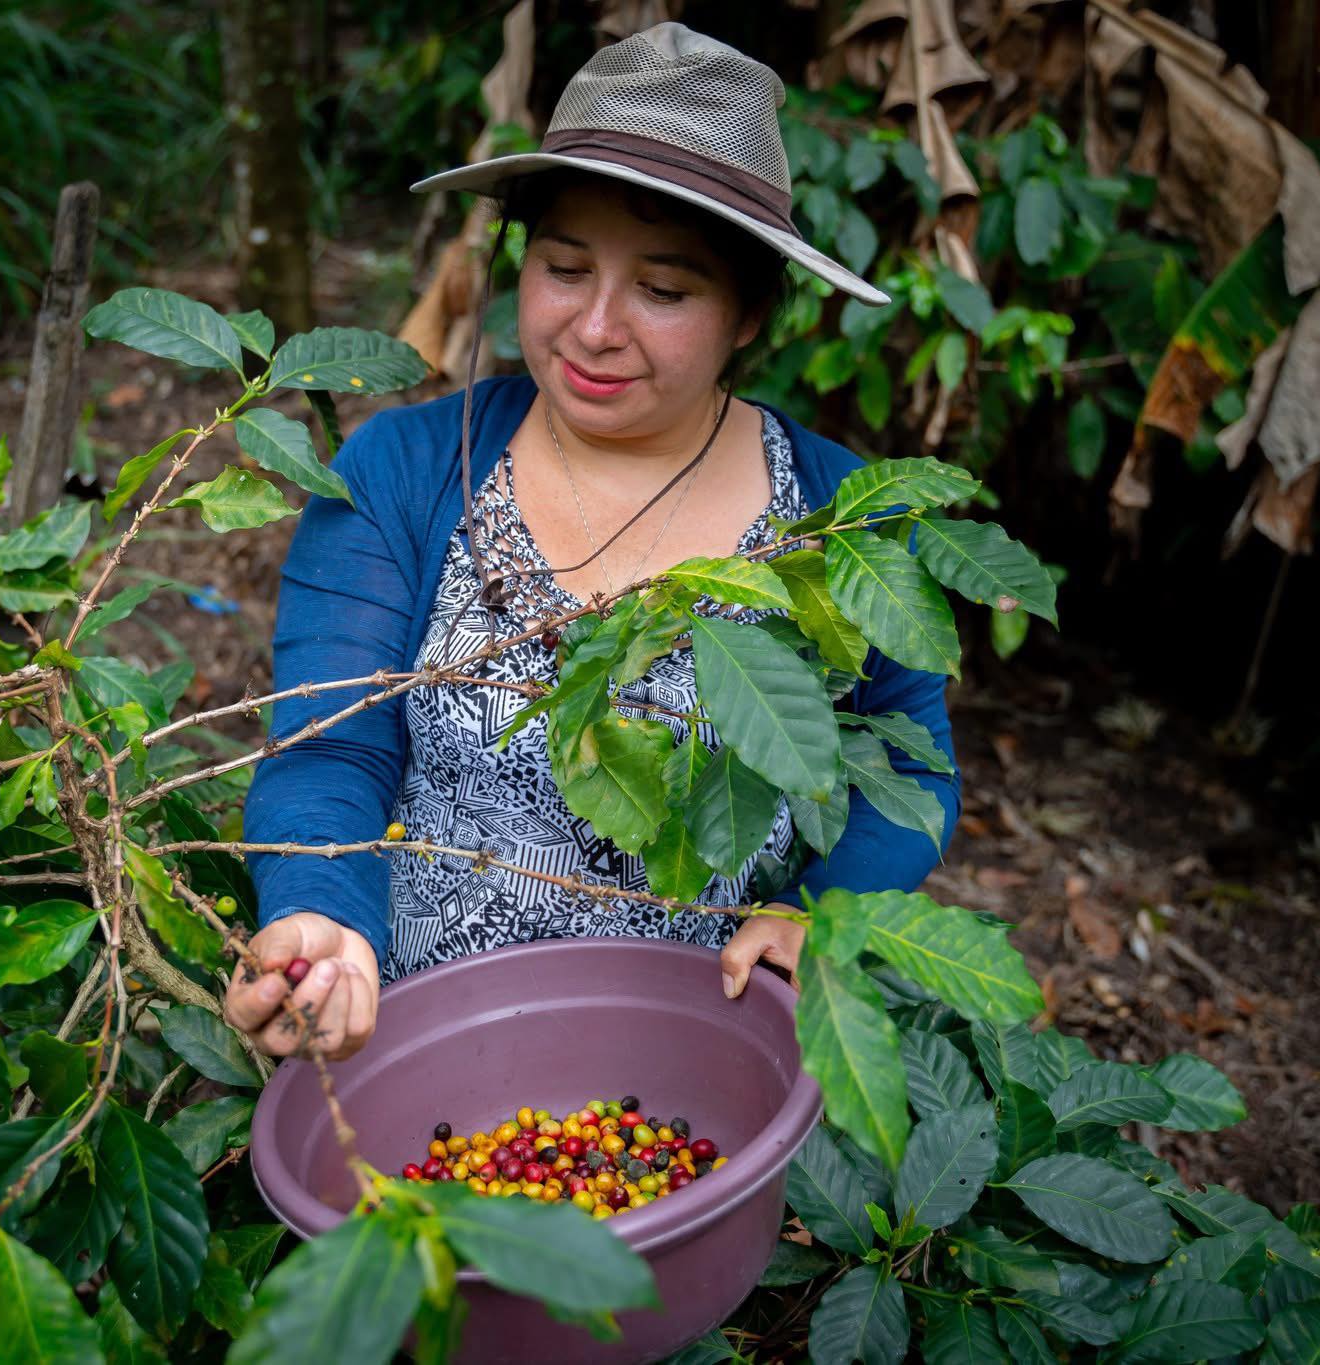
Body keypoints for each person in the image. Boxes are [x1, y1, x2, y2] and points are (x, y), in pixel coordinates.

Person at [222, 23, 958, 1061]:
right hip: (420, 1046)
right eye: (564, 267)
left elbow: (910, 766)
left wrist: (819, 915)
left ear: (749, 312)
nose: (596, 327)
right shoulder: (404, 470)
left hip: (709, 1062)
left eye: (664, 291)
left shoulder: (840, 522)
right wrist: (322, 918)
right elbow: (329, 744)